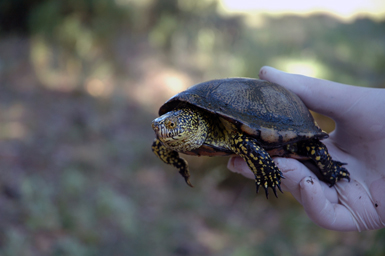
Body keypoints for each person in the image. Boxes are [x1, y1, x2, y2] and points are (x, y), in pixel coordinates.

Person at [227, 66, 385, 231]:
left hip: (290, 132)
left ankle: (332, 172)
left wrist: (331, 171)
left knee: (318, 151)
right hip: (248, 135)